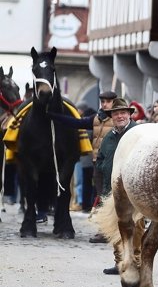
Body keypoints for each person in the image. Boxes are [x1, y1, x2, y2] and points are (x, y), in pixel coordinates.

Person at [45, 90, 117, 243]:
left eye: (108, 101)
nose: (105, 104)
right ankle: (103, 231)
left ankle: (119, 230)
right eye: (103, 101)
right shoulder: (96, 119)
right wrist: (54, 116)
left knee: (116, 197)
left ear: (114, 102)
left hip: (117, 163)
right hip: (99, 163)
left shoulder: (120, 119)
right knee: (101, 197)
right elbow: (77, 123)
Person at [96, 98, 144, 275]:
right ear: (111, 117)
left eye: (123, 112)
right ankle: (119, 262)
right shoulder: (108, 137)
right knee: (115, 225)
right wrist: (101, 190)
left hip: (134, 191)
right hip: (112, 190)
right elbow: (100, 162)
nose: (120, 116)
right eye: (116, 113)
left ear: (130, 114)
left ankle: (136, 262)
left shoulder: (139, 133)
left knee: (136, 227)